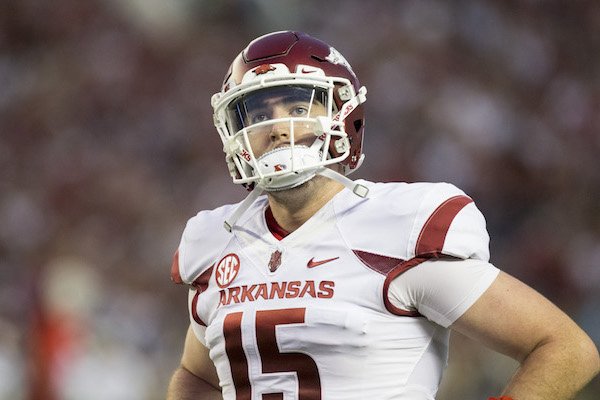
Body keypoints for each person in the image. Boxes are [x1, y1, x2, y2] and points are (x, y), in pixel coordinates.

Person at [166, 31, 599, 400]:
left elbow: (565, 348)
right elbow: (197, 375)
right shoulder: (218, 242)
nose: (278, 128)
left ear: (343, 116)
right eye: (259, 114)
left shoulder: (398, 227)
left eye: (298, 109)